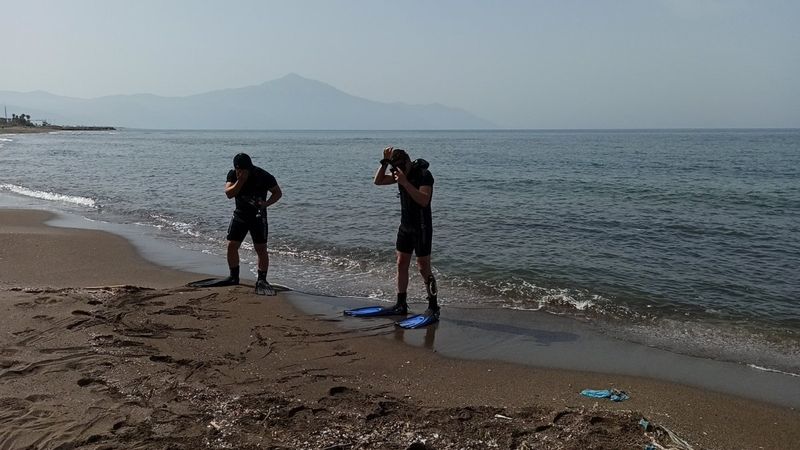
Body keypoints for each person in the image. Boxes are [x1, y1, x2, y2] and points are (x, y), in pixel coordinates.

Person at [373, 146, 439, 320]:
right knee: (401, 263)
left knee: (423, 267)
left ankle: (433, 306)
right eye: (397, 169)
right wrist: (385, 163)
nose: (399, 172)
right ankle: (401, 303)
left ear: (408, 162)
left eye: (402, 168)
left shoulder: (424, 175)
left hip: (422, 227)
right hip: (405, 226)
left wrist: (404, 182)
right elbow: (378, 181)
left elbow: (424, 200)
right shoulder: (399, 173)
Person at [223, 152, 282, 294]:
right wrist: (240, 181)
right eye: (239, 169)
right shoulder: (232, 175)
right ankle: (233, 276)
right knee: (232, 246)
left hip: (258, 216)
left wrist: (266, 203)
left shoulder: (263, 175)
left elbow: (277, 193)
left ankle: (262, 279)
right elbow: (229, 193)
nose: (242, 172)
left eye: (244, 170)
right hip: (240, 214)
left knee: (261, 248)